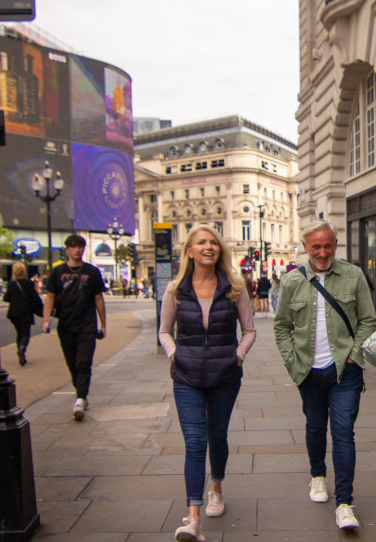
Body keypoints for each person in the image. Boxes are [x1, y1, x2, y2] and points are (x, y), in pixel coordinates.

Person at [273, 221, 376, 530]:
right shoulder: (291, 281)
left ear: (335, 244)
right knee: (316, 427)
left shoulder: (353, 275)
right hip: (308, 370)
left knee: (344, 433)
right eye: (315, 246)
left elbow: (368, 320)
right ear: (305, 247)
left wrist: (355, 356)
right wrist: (292, 362)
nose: (322, 252)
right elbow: (281, 327)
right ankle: (317, 474)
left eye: (327, 245)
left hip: (345, 370)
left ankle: (345, 503)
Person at [159, 226, 256, 542]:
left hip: (224, 375)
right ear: (189, 251)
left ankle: (216, 486)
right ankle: (193, 520)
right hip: (186, 376)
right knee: (195, 442)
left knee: (217, 435)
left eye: (214, 242)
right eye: (201, 242)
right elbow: (164, 331)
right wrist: (174, 354)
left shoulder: (235, 287)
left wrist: (238, 355)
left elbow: (249, 330)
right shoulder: (175, 290)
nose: (209, 246)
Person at [43, 233, 107, 421]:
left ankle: (80, 398)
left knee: (83, 363)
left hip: (87, 325)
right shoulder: (57, 272)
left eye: (80, 246)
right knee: (72, 363)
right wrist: (46, 320)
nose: (77, 250)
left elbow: (98, 298)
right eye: (73, 246)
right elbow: (50, 296)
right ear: (67, 249)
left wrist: (103, 324)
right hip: (65, 325)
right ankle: (81, 394)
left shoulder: (92, 272)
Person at [3, 261, 43, 366]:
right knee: (25, 334)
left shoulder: (11, 284)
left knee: (19, 333)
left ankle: (21, 354)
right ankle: (22, 349)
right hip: (25, 312)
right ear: (24, 271)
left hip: (14, 313)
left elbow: (6, 298)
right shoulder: (29, 284)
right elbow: (35, 298)